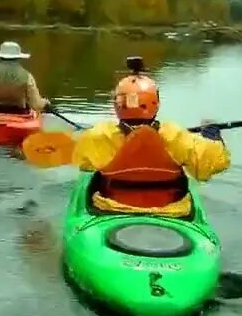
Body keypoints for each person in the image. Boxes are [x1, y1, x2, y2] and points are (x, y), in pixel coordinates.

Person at [72, 57, 229, 218]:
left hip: (111, 207)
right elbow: (213, 163)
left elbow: (85, 164)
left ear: (117, 104)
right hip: (172, 210)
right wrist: (213, 137)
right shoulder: (174, 135)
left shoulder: (99, 135)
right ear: (156, 103)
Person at [0, 40, 49, 113]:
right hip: (17, 113)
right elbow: (36, 105)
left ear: (0, 56)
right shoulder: (27, 76)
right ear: (18, 58)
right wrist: (45, 103)